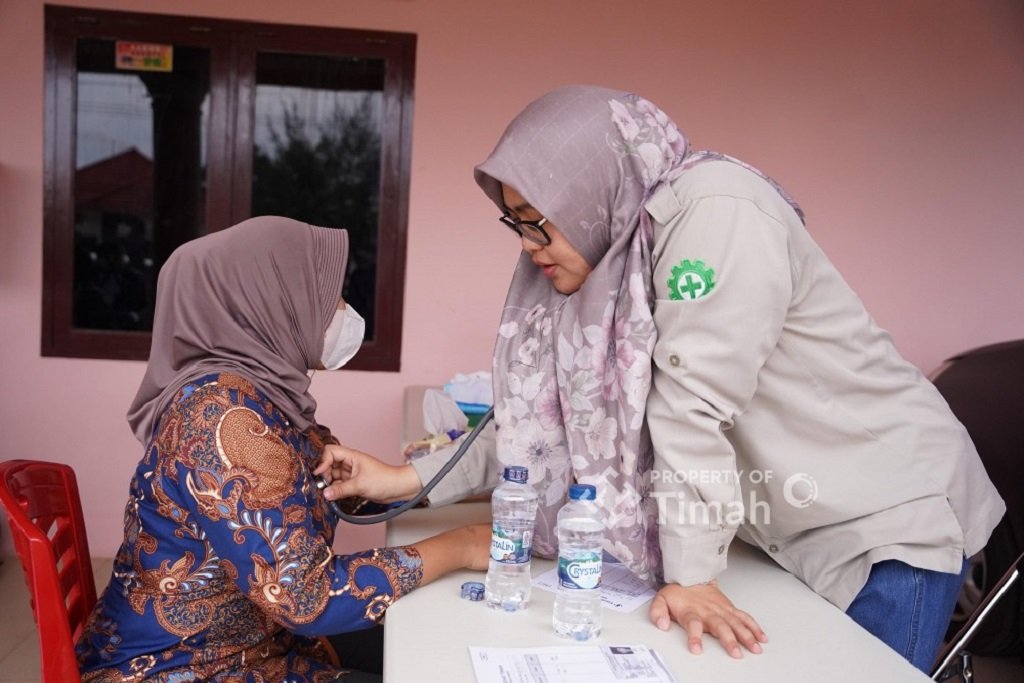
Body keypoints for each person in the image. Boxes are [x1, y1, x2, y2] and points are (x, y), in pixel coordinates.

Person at [318, 86, 1006, 672]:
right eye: (514, 223)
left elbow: (688, 405)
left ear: (589, 192)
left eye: (537, 222)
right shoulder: (608, 254)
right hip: (790, 524)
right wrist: (407, 479)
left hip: (883, 515)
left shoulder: (718, 214)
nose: (527, 247)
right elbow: (541, 418)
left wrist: (693, 576)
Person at [75, 216, 489, 683]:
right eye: (329, 294)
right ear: (268, 300)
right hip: (186, 667)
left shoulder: (258, 395)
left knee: (427, 643)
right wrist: (464, 546)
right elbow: (308, 599)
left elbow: (323, 498)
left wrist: (437, 486)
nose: (340, 309)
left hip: (250, 640)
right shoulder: (223, 420)